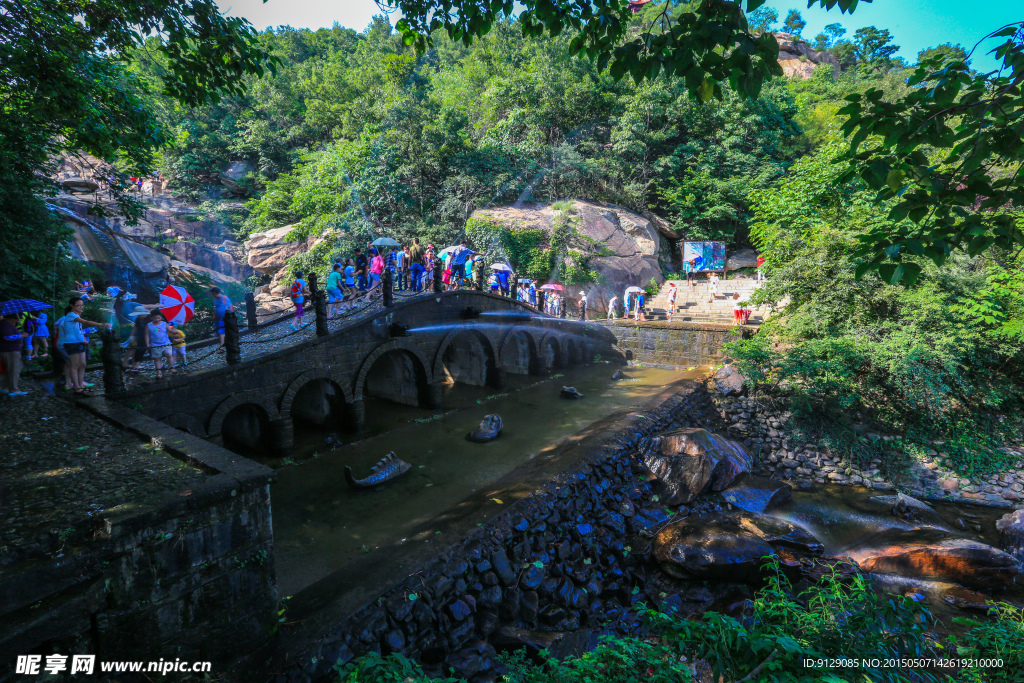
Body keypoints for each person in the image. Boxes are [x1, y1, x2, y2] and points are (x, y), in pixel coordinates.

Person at [59, 296, 110, 394]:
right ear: (72, 305)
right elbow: (85, 322)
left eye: (82, 305)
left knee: (83, 364)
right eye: (78, 305)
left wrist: (83, 338)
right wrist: (101, 324)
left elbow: (78, 330)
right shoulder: (70, 315)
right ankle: (77, 387)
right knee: (75, 365)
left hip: (80, 342)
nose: (81, 307)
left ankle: (81, 384)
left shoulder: (76, 316)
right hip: (71, 343)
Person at [1, 312, 30, 396]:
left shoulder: (6, 324)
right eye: (17, 319)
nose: (18, 320)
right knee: (14, 370)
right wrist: (21, 336)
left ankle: (4, 386)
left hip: (10, 350)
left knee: (17, 367)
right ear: (13, 318)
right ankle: (13, 390)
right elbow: (7, 337)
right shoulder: (6, 324)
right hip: (10, 350)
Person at [148, 311, 175, 378]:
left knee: (169, 355)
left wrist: (175, 331)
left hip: (166, 343)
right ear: (151, 318)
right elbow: (146, 335)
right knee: (157, 359)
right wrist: (147, 343)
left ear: (161, 317)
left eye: (158, 318)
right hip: (155, 344)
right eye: (155, 318)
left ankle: (172, 367)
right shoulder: (149, 325)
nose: (157, 319)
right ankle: (158, 373)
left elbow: (170, 330)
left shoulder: (164, 323)